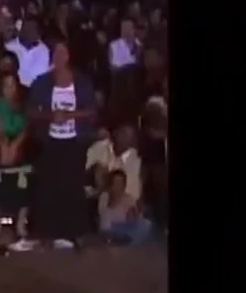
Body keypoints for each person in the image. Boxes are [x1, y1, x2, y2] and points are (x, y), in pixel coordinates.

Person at [19, 40, 97, 252]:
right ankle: (47, 232)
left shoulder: (82, 82)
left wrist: (70, 115)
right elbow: (31, 110)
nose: (59, 57)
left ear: (69, 56)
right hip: (50, 141)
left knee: (72, 185)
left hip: (74, 141)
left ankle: (72, 233)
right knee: (48, 186)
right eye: (55, 53)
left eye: (63, 53)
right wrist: (50, 116)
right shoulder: (42, 82)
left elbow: (91, 110)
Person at [98, 170, 152, 245]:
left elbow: (135, 216)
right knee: (107, 215)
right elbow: (102, 212)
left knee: (145, 223)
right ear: (111, 184)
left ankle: (128, 240)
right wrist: (113, 201)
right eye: (116, 183)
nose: (118, 186)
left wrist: (134, 214)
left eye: (121, 183)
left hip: (126, 227)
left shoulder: (128, 198)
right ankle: (115, 239)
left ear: (124, 185)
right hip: (112, 227)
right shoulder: (105, 196)